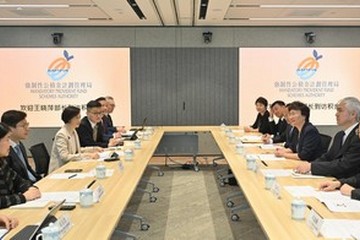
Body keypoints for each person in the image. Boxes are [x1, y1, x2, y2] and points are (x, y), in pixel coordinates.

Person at [295, 97, 360, 179]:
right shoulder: (339, 135)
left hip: (349, 183)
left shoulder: (358, 136)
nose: (336, 114)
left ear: (353, 114)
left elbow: (345, 164)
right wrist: (309, 165)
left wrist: (312, 167)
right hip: (334, 178)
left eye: (340, 110)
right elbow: (328, 157)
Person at [0, 123, 41, 209]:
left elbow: (18, 180)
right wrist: (23, 197)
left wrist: (30, 188)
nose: (10, 145)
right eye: (7, 140)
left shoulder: (2, 161)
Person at [49, 106, 101, 172]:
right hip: (60, 169)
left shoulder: (73, 131)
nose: (79, 120)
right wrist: (87, 155)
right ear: (69, 119)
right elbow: (65, 157)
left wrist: (93, 149)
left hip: (71, 166)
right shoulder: (62, 134)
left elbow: (78, 150)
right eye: (77, 118)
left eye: (79, 117)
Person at [1, 110, 41, 183]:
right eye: (23, 126)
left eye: (27, 125)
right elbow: (13, 180)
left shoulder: (19, 145)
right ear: (9, 128)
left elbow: (27, 168)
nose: (27, 129)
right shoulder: (4, 151)